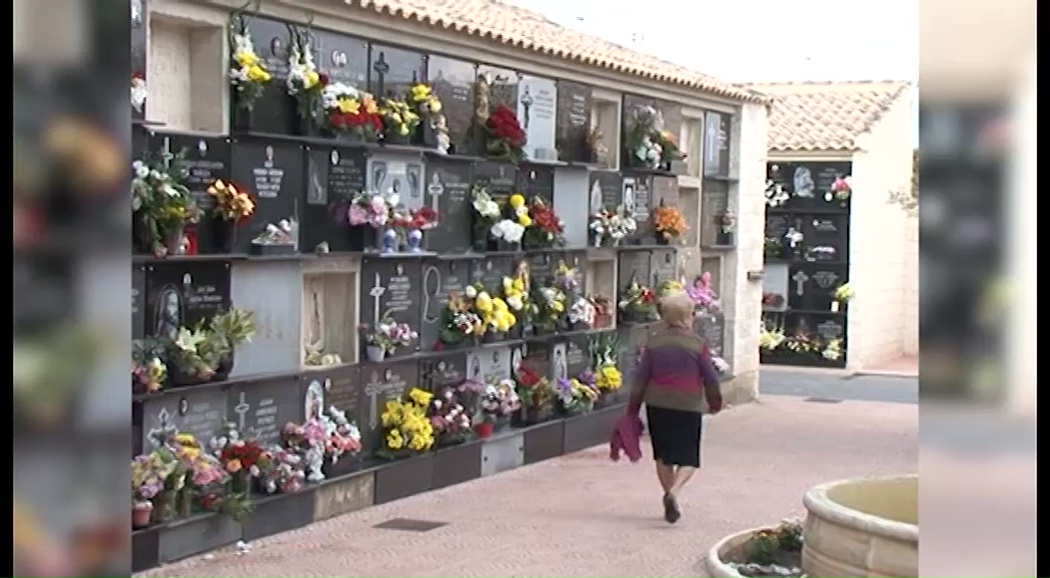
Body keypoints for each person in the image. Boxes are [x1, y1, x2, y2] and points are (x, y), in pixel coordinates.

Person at [627, 290, 723, 524]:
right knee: (688, 457)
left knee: (663, 455)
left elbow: (641, 379)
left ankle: (669, 497)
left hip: (657, 403)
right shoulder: (697, 344)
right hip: (688, 403)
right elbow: (710, 377)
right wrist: (715, 402)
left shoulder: (653, 343)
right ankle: (674, 493)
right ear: (687, 315)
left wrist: (632, 408)